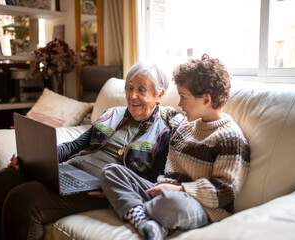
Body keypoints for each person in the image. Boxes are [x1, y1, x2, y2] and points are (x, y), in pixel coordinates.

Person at [0, 62, 172, 240]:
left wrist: (111, 189)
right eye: (129, 88)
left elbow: (152, 186)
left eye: (141, 90)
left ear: (159, 96)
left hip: (98, 190)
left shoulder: (162, 134)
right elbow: (74, 146)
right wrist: (35, 158)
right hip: (70, 171)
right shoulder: (112, 114)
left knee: (23, 200)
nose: (132, 95)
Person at [100, 54, 251, 240]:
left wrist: (180, 190)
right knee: (111, 172)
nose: (179, 103)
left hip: (200, 206)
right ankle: (146, 222)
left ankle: (137, 211)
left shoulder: (230, 138)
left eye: (183, 97)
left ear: (206, 99)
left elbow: (225, 191)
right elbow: (159, 111)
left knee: (170, 202)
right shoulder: (184, 124)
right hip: (163, 191)